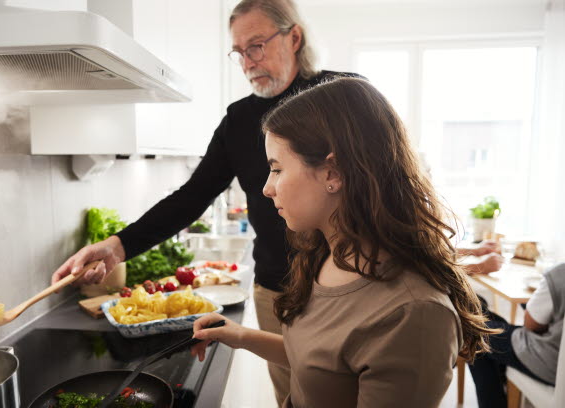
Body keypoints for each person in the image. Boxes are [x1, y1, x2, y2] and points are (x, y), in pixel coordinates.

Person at [51, 1, 362, 404]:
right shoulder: (238, 120)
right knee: (295, 397)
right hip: (277, 289)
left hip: (347, 283)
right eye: (239, 52)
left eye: (257, 46)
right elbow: (191, 197)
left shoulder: (342, 96)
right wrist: (116, 246)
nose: (247, 62)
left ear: (294, 37)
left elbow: (384, 182)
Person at [190, 77, 497, 408]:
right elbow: (323, 367)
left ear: (332, 173)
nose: (267, 188)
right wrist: (241, 336)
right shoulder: (326, 254)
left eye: (277, 169)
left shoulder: (413, 314)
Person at [468, 263, 565, 408]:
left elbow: (531, 325)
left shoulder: (559, 274)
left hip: (553, 365)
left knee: (474, 333)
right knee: (492, 321)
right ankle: (505, 382)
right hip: (557, 357)